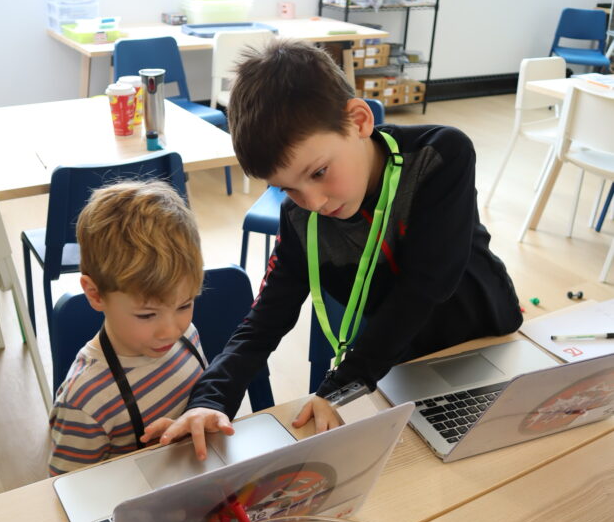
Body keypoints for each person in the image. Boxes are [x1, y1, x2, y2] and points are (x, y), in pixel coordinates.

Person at [144, 39, 522, 458]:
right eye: (287, 188)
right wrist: (210, 399)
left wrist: (342, 385)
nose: (313, 202)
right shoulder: (300, 219)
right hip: (403, 367)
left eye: (319, 172)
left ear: (358, 120)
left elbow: (426, 286)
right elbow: (267, 316)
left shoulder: (439, 155)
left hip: (488, 339)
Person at [48, 179, 207, 475]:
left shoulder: (188, 334)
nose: (171, 330)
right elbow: (71, 492)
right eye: (147, 315)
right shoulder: (85, 399)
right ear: (95, 294)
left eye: (184, 305)